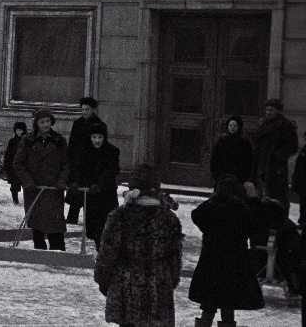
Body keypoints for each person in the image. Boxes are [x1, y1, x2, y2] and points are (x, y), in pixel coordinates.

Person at [94, 165, 183, 327]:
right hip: (158, 285)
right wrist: (172, 281)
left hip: (125, 284)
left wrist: (102, 280)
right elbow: (174, 257)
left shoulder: (120, 216)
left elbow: (107, 253)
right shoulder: (169, 219)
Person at [188, 175, 264, 327]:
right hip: (234, 266)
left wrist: (212, 199)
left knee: (208, 305)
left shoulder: (210, 210)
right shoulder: (242, 212)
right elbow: (258, 224)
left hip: (211, 264)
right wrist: (254, 200)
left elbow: (196, 214)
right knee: (228, 306)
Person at [13, 109, 69, 250]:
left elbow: (66, 164)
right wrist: (28, 181)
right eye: (42, 122)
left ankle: (59, 256)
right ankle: (40, 255)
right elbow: (18, 163)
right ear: (36, 123)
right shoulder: (28, 140)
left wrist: (61, 181)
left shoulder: (59, 140)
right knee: (37, 226)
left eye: (48, 121)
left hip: (53, 190)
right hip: (34, 189)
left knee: (55, 226)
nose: (45, 125)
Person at [69, 123, 119, 251]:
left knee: (105, 225)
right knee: (91, 227)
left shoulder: (112, 151)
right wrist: (74, 181)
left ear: (104, 137)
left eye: (100, 137)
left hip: (106, 194)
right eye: (94, 137)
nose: (97, 140)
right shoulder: (83, 151)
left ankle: (103, 251)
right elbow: (77, 169)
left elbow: (112, 170)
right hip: (90, 194)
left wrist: (100, 184)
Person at [66, 97, 106, 225]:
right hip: (77, 163)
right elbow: (71, 143)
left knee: (89, 192)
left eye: (87, 109)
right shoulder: (77, 123)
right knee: (76, 189)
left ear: (93, 110)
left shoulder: (99, 124)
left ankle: (90, 219)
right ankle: (72, 217)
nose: (84, 112)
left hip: (91, 162)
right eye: (82, 109)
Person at [252, 98, 298, 209]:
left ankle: (278, 219)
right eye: (267, 110)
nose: (268, 112)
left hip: (275, 167)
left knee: (277, 195)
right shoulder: (263, 124)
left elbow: (292, 146)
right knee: (260, 193)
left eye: (271, 110)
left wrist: (278, 156)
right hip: (261, 164)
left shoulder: (285, 125)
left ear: (278, 111)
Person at [210, 115, 254, 184]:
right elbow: (215, 157)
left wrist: (245, 176)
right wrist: (215, 174)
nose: (232, 128)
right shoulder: (222, 139)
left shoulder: (244, 141)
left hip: (238, 175)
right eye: (230, 125)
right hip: (222, 175)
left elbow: (249, 159)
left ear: (239, 127)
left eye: (235, 126)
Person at [3, 121, 26, 205]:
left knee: (25, 184)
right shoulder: (12, 141)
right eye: (17, 130)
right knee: (14, 184)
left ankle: (27, 198)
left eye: (21, 130)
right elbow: (8, 154)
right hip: (13, 166)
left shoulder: (27, 141)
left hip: (24, 166)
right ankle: (15, 199)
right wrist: (7, 166)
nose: (19, 132)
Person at [291, 129, 306, 226]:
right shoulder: (304, 149)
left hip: (303, 180)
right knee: (303, 201)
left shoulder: (304, 150)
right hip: (303, 180)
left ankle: (303, 220)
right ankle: (302, 219)